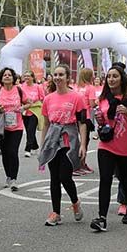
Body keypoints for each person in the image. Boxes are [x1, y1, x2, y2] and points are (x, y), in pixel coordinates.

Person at [38, 64, 88, 226]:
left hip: (69, 139)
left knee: (65, 176)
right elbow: (45, 124)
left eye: (61, 75)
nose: (58, 78)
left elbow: (82, 123)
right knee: (54, 178)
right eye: (56, 75)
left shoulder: (76, 97)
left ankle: (75, 202)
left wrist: (83, 145)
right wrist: (42, 145)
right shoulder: (48, 98)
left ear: (68, 78)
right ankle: (56, 213)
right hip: (52, 139)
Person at [91, 65, 127, 230]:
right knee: (105, 179)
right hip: (107, 145)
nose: (111, 79)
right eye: (109, 76)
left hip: (126, 146)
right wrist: (100, 121)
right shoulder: (103, 99)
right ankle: (101, 217)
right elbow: (103, 125)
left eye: (115, 76)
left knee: (126, 180)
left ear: (121, 79)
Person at [0, 67, 25, 191]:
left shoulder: (19, 90)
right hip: (2, 126)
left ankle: (14, 179)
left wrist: (23, 108)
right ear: (1, 78)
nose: (7, 77)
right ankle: (8, 176)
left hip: (17, 126)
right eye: (5, 75)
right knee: (5, 153)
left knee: (13, 151)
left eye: (9, 75)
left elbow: (28, 102)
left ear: (13, 78)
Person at [19, 71, 42, 157]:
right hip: (25, 110)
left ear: (33, 77)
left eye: (28, 76)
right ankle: (35, 146)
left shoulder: (37, 87)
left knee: (31, 130)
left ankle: (28, 149)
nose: (26, 78)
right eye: (25, 76)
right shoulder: (21, 87)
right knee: (29, 130)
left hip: (35, 110)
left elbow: (42, 98)